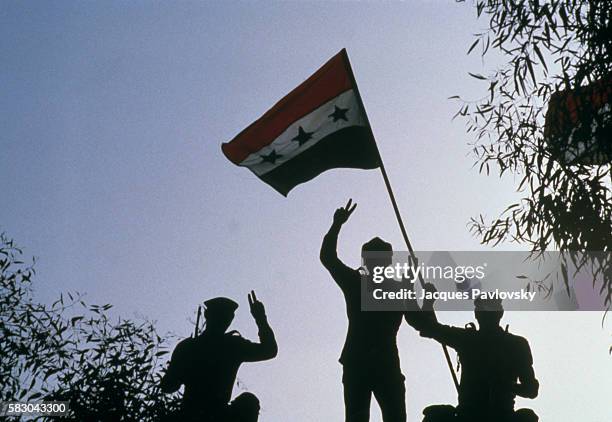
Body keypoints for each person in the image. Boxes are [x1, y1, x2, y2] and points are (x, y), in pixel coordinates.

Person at [320, 199, 407, 422]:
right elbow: (328, 258)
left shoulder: (360, 284)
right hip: (374, 363)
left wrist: (337, 225)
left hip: (365, 363)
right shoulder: (362, 284)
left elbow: (328, 258)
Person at [407, 284, 539, 422]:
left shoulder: (512, 344)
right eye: (482, 309)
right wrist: (424, 298)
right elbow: (426, 326)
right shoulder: (469, 339)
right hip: (469, 415)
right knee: (436, 416)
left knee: (528, 418)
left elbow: (531, 390)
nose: (485, 314)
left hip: (501, 416)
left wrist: (502, 385)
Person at [160, 291, 277, 421]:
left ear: (206, 315)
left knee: (248, 402)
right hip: (210, 415)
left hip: (194, 413)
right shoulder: (232, 346)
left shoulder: (188, 346)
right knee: (249, 402)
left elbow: (168, 386)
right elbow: (269, 350)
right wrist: (260, 318)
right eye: (225, 316)